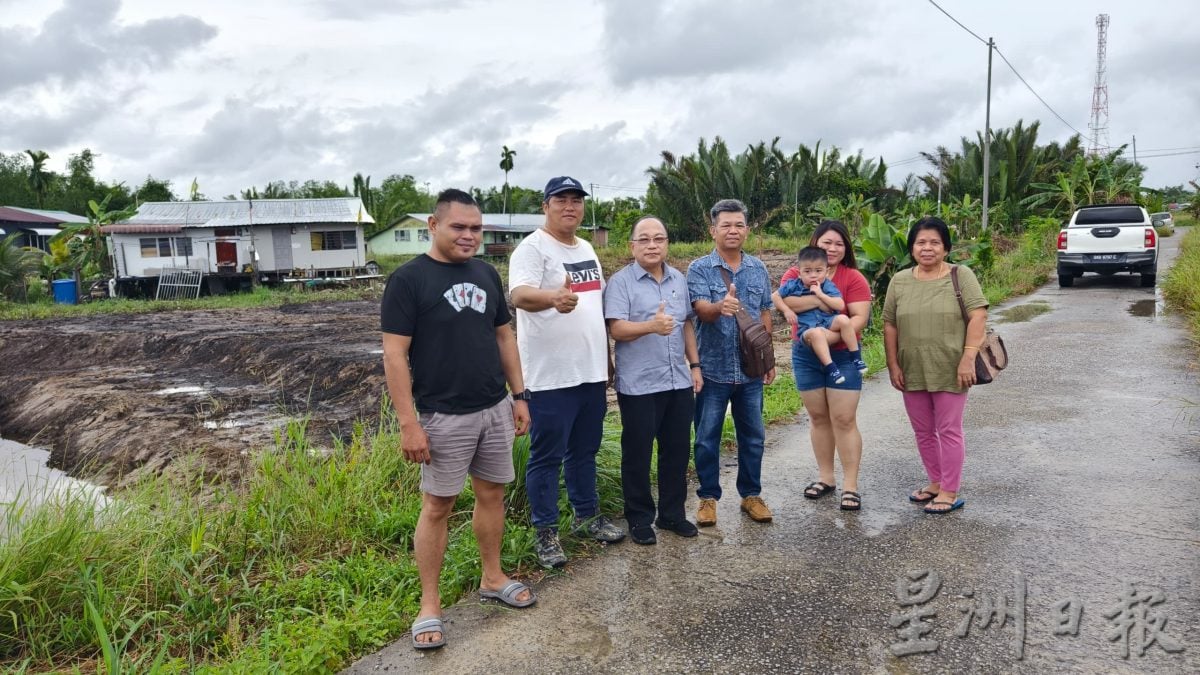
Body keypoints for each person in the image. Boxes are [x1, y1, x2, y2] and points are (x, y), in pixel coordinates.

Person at [381, 189, 535, 650]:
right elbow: (394, 354)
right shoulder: (408, 280)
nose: (469, 236)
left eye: (476, 228)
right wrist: (409, 423)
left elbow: (504, 337)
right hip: (442, 415)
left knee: (492, 494)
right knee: (438, 506)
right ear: (433, 225)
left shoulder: (486, 273)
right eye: (459, 227)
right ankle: (430, 605)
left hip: (493, 409)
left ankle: (492, 577)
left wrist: (519, 396)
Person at [509, 176, 625, 569]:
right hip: (550, 376)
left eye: (577, 200)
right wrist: (552, 298)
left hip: (590, 371)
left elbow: (594, 307)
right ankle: (545, 532)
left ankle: (586, 516)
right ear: (546, 205)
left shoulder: (588, 247)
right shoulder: (533, 248)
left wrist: (606, 361)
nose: (570, 206)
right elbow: (519, 295)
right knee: (547, 455)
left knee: (584, 451)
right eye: (562, 199)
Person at [604, 216, 703, 545]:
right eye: (644, 239)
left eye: (658, 239)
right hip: (640, 384)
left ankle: (672, 514)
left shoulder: (678, 278)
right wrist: (651, 326)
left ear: (667, 244)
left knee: (676, 450)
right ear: (631, 245)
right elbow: (616, 328)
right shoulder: (621, 282)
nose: (652, 245)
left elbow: (687, 323)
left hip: (677, 381)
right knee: (638, 453)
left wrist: (695, 365)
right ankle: (639, 518)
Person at [883, 216, 988, 515]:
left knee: (949, 429)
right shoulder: (900, 280)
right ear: (912, 247)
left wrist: (968, 358)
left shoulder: (960, 274)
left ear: (945, 248)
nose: (927, 248)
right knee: (923, 431)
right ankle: (935, 481)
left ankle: (950, 491)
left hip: (951, 366)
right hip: (912, 367)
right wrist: (893, 364)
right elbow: (889, 325)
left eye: (934, 242)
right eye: (920, 242)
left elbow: (978, 316)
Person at [686, 198, 777, 526]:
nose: (733, 230)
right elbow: (699, 310)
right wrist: (718, 306)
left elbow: (765, 311)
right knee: (706, 436)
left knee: (753, 435)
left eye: (739, 224)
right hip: (713, 369)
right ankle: (708, 498)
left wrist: (768, 358)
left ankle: (751, 494)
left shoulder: (758, 268)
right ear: (713, 230)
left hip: (751, 370)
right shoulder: (698, 268)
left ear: (747, 229)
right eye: (726, 225)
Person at [777, 220, 872, 511]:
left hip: (842, 355)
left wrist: (827, 336)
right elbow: (785, 303)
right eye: (826, 242)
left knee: (843, 419)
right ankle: (826, 478)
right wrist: (823, 303)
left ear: (846, 249)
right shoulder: (795, 273)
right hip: (805, 354)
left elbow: (857, 317)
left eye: (838, 243)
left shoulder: (853, 278)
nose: (832, 248)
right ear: (815, 243)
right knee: (818, 417)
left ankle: (850, 486)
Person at [775, 245, 868, 385]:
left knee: (843, 319)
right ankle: (831, 367)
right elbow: (775, 296)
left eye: (818, 271)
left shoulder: (827, 285)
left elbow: (839, 305)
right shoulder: (793, 285)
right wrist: (787, 310)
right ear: (799, 273)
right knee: (817, 333)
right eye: (807, 271)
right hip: (807, 329)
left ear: (826, 271)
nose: (813, 275)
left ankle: (856, 357)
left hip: (827, 321)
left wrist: (820, 295)